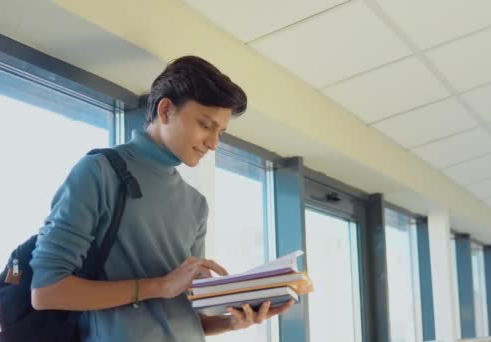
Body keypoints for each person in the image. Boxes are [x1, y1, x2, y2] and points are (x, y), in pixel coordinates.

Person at [30, 55, 294, 341]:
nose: (214, 143)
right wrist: (160, 286)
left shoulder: (196, 204)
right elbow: (47, 291)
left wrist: (234, 322)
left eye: (220, 132)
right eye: (205, 125)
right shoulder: (99, 172)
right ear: (166, 110)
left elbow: (188, 316)